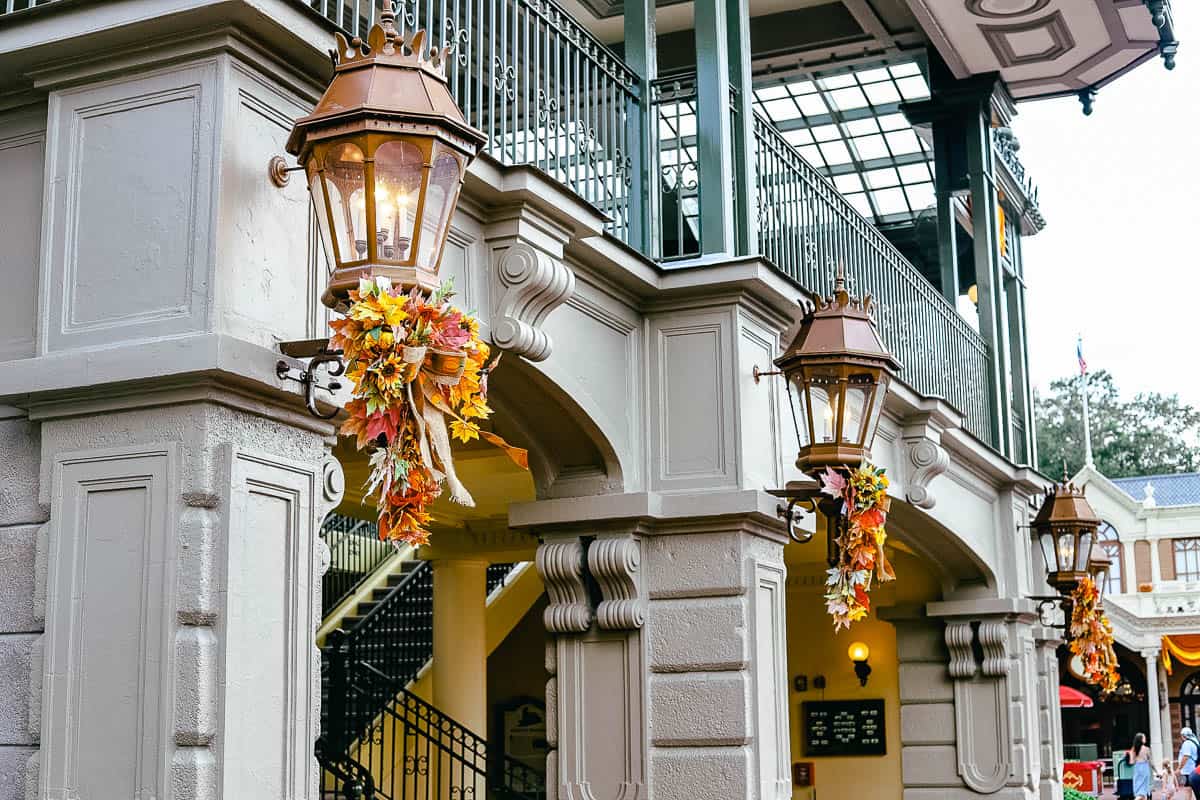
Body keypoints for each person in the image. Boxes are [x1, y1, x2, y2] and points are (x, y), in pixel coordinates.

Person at [1128, 733, 1156, 800]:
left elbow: (1131, 762)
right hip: (1144, 769)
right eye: (1144, 737)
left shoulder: (1133, 749)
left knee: (1139, 792)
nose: (1145, 738)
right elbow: (1151, 763)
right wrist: (1156, 772)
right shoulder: (1146, 749)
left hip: (1137, 769)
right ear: (1140, 740)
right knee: (1142, 792)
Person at [1180, 727, 1200, 799]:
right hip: (1195, 768)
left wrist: (1179, 768)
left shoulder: (1187, 743)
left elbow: (1186, 756)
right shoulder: (1195, 740)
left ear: (1183, 735)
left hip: (1188, 770)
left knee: (1187, 790)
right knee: (1192, 789)